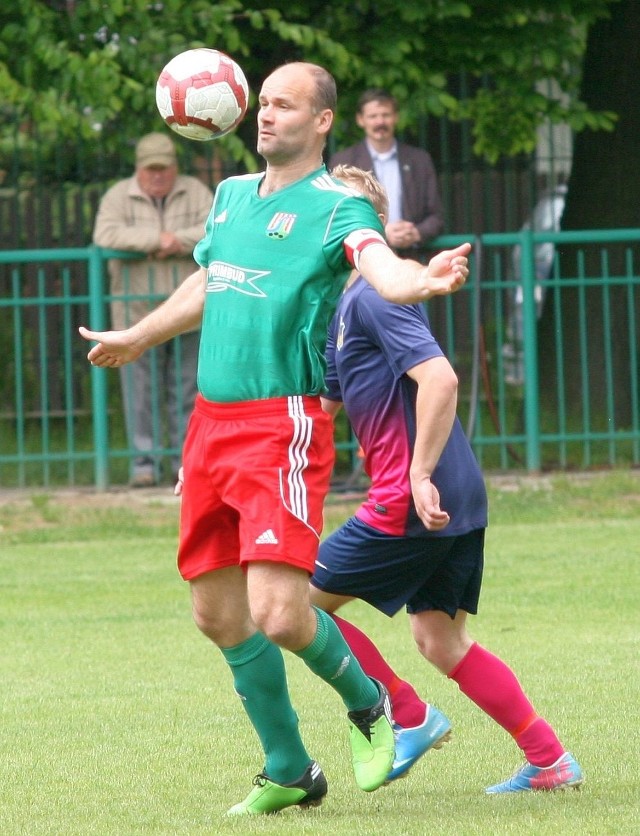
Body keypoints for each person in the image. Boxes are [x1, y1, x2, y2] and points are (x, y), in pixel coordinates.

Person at [79, 63, 470, 817]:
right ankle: (289, 767)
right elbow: (208, 280)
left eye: (284, 105)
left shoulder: (337, 206)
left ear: (323, 122)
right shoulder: (229, 198)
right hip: (210, 425)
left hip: (279, 426)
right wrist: (139, 335)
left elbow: (380, 268)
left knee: (283, 614)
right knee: (217, 615)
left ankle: (378, 707)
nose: (264, 116)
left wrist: (421, 281)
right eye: (261, 104)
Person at [310, 164, 584, 794]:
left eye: (343, 218)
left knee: (294, 606)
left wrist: (417, 472)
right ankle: (550, 759)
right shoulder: (342, 309)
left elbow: (440, 378)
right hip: (454, 491)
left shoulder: (377, 296)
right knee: (440, 639)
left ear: (372, 228)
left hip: (415, 494)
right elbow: (319, 411)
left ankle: (405, 714)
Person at [93, 132, 213, 486]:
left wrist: (176, 240)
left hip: (187, 314)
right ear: (139, 170)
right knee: (140, 395)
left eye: (164, 168)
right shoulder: (118, 196)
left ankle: (183, 462)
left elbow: (214, 231)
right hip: (135, 316)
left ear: (175, 167)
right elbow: (105, 234)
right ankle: (143, 465)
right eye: (151, 170)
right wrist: (154, 240)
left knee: (187, 391)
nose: (158, 176)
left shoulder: (197, 191)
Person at [329, 89, 444, 254]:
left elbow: (437, 216)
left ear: (396, 117)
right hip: (364, 260)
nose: (380, 122)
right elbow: (337, 216)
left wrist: (416, 233)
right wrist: (381, 232)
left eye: (386, 115)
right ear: (360, 120)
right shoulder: (344, 162)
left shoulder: (419, 160)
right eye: (373, 116)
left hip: (413, 258)